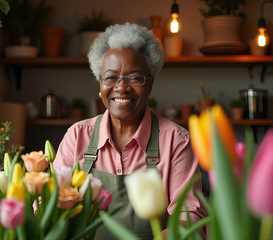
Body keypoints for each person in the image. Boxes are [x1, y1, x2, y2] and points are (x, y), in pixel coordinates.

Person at [53, 23, 206, 239]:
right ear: (100, 84)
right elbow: (49, 204)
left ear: (150, 85)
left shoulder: (175, 141)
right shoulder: (78, 136)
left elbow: (189, 216)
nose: (121, 87)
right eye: (111, 77)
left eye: (134, 78)